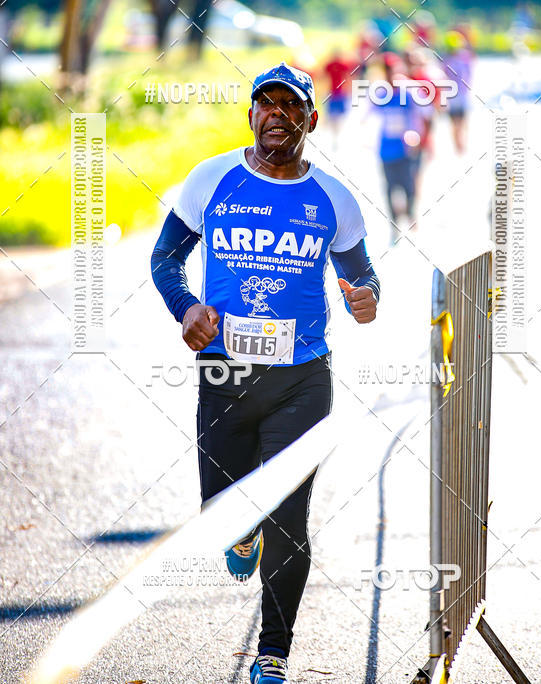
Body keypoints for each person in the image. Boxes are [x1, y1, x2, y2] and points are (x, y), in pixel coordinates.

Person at [151, 62, 379, 684]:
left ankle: (273, 653)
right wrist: (187, 306)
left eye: (289, 105)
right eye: (264, 104)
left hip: (302, 378)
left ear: (309, 120)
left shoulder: (333, 198)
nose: (275, 113)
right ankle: (238, 527)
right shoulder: (212, 179)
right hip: (225, 372)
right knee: (221, 509)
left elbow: (364, 275)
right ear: (250, 116)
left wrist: (367, 296)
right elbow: (166, 256)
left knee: (290, 516)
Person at [374, 52, 427, 241]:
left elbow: (424, 113)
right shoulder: (380, 94)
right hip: (385, 149)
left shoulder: (410, 92)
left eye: (393, 71)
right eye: (386, 71)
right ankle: (394, 225)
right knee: (390, 187)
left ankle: (411, 215)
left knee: (408, 186)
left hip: (406, 148)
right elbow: (368, 116)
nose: (390, 76)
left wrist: (417, 136)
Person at [442, 30, 474, 153]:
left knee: (463, 121)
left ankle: (462, 144)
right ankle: (458, 145)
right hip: (452, 96)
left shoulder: (464, 57)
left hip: (462, 94)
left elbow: (469, 74)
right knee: (455, 122)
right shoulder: (446, 60)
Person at [322, 50, 354, 148]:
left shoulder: (342, 65)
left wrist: (348, 90)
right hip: (332, 93)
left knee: (340, 116)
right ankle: (334, 135)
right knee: (332, 116)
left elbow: (347, 77)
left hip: (340, 93)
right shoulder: (330, 65)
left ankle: (338, 135)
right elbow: (324, 77)